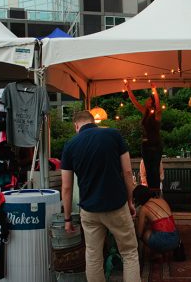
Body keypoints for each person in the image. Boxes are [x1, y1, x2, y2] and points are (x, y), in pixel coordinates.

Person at [61, 111, 140, 282]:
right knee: (129, 253)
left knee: (93, 256)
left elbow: (66, 188)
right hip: (116, 206)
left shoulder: (70, 145)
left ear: (76, 126)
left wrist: (67, 219)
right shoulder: (113, 135)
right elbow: (127, 172)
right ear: (93, 122)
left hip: (89, 210)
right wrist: (130, 201)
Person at [126, 82, 162, 193]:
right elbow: (135, 102)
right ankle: (151, 192)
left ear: (152, 103)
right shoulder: (144, 112)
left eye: (149, 100)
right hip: (145, 145)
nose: (146, 101)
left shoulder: (157, 113)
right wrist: (128, 89)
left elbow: (158, 102)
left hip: (156, 145)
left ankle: (155, 192)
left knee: (155, 169)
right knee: (148, 169)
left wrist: (154, 90)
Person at [133, 185, 179, 254]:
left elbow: (139, 233)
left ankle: (157, 253)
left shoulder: (144, 208)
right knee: (153, 228)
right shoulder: (162, 200)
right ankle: (162, 253)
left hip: (161, 241)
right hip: (175, 239)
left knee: (143, 232)